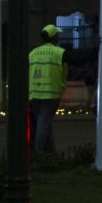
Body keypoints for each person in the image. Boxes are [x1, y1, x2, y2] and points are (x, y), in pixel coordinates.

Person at [28, 24, 67, 153]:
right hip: (50, 94)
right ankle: (38, 154)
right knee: (43, 124)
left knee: (44, 122)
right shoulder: (58, 52)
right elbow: (78, 58)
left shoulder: (33, 53)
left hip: (34, 94)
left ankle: (51, 154)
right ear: (54, 37)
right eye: (58, 35)